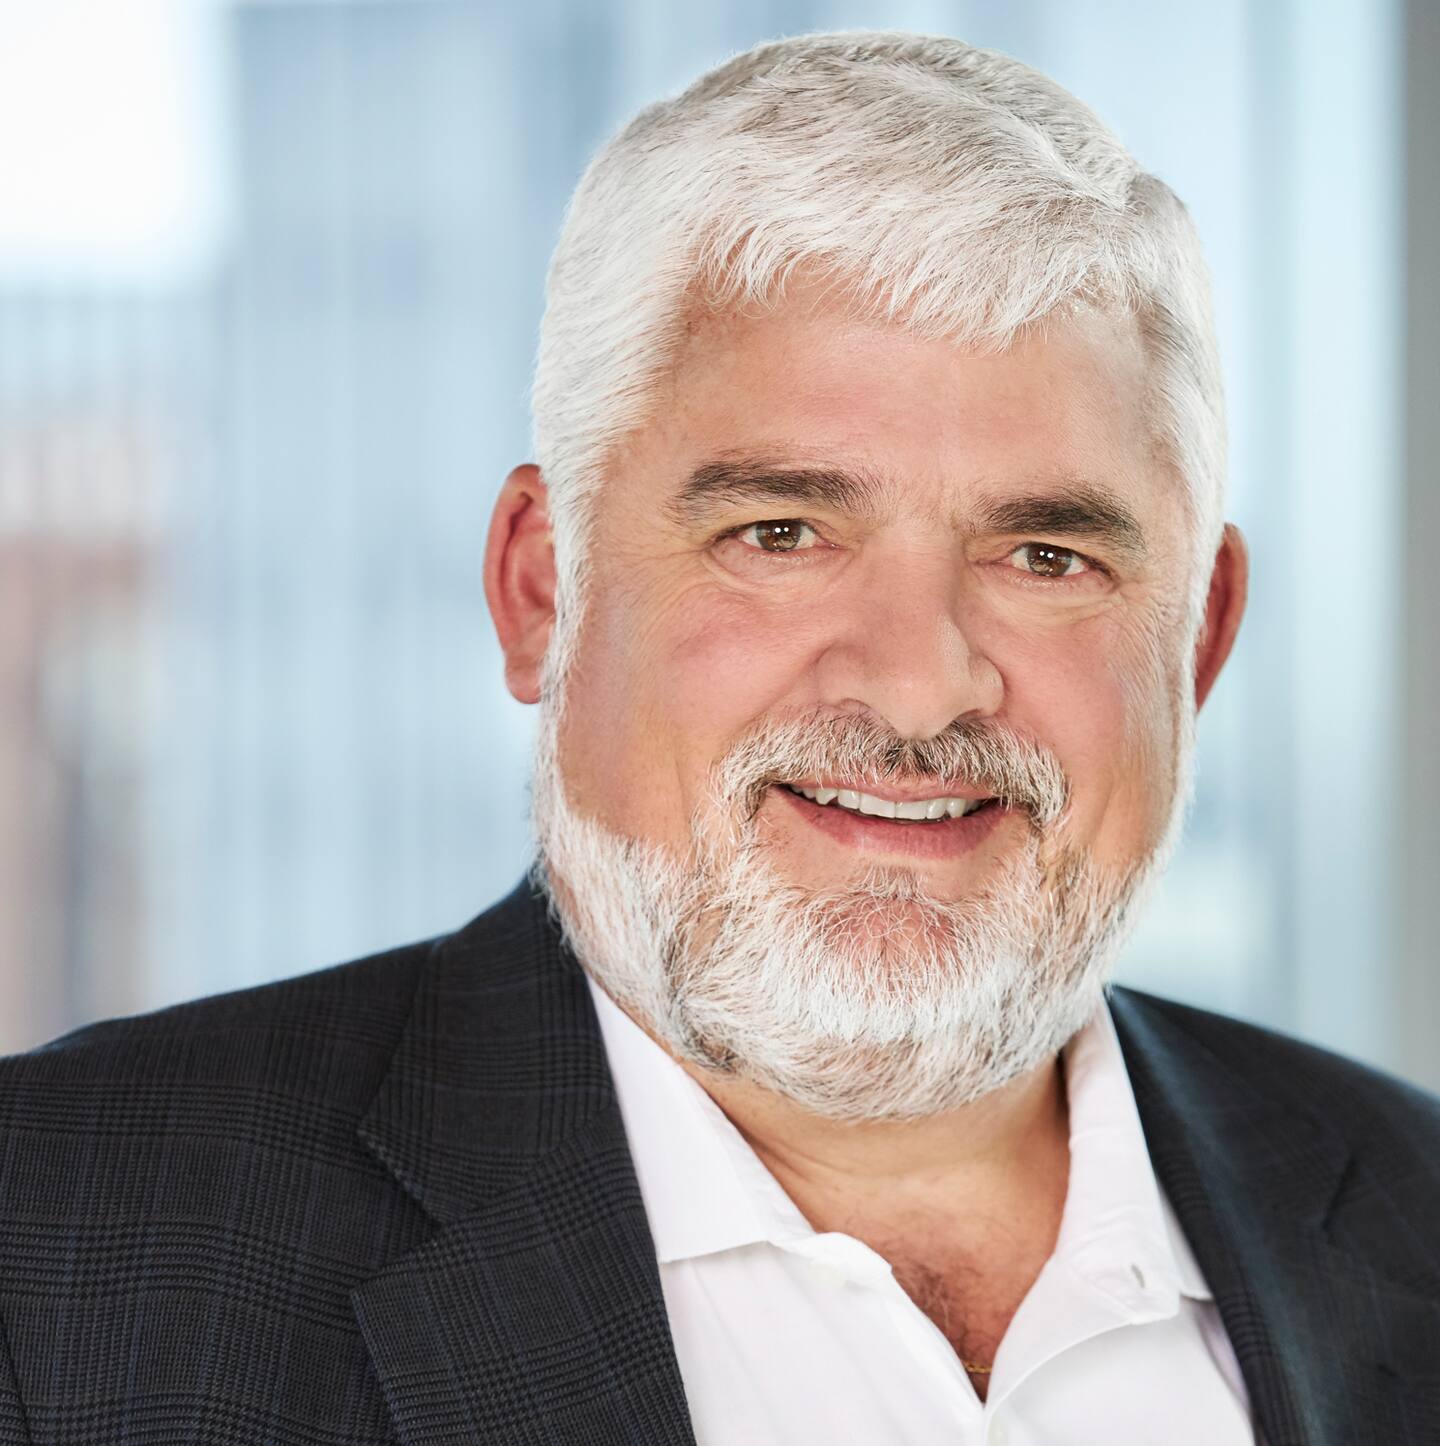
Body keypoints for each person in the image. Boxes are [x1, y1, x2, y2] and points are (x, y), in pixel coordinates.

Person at [0, 30, 1435, 1446]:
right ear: (541, 592)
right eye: (781, 532)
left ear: (1200, 638)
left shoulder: (1415, 1215)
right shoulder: (59, 1244)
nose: (919, 689)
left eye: (1046, 556)